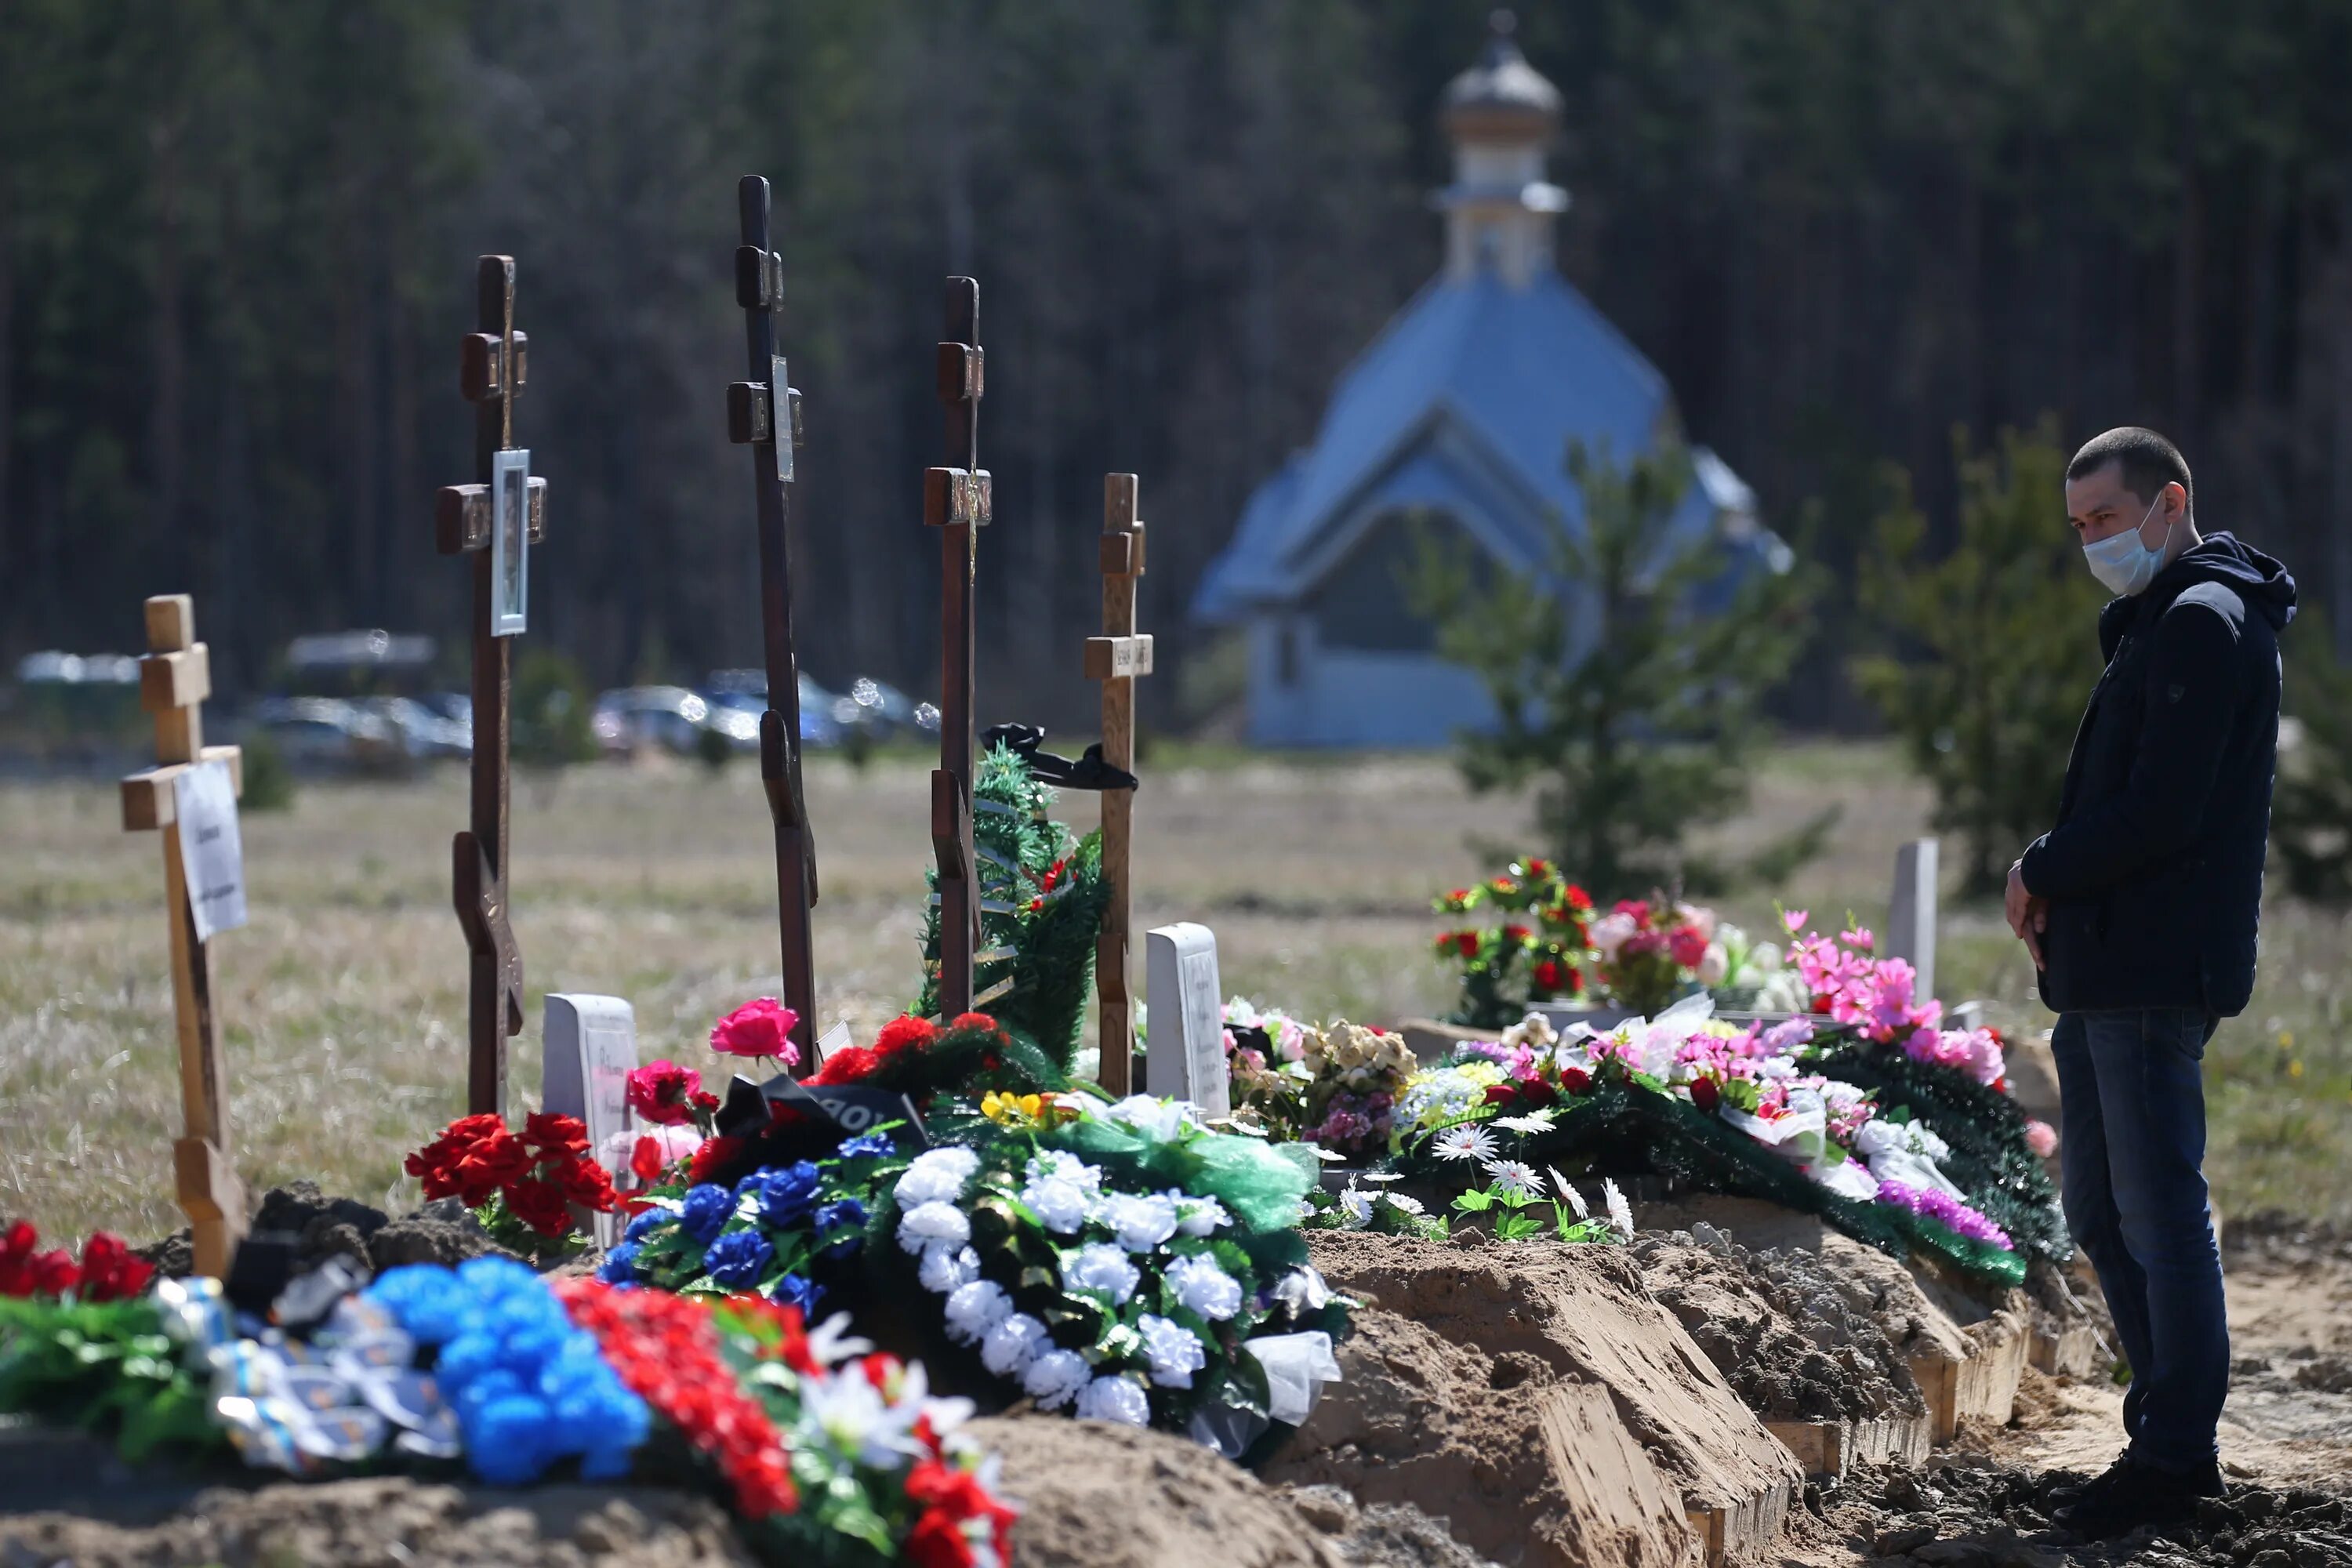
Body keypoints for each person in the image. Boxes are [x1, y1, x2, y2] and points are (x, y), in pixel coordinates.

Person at [2005, 426, 2296, 1538]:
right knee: (2098, 1206)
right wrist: (2058, 882)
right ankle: (2161, 1433)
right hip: (2107, 964)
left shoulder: (2200, 624)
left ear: (2170, 504)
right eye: (2079, 527)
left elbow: (2163, 811)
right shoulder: (2165, 621)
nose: (2093, 543)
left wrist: (2040, 867)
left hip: (2151, 964)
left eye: (2108, 520)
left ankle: (2175, 1456)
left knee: (2160, 1212)